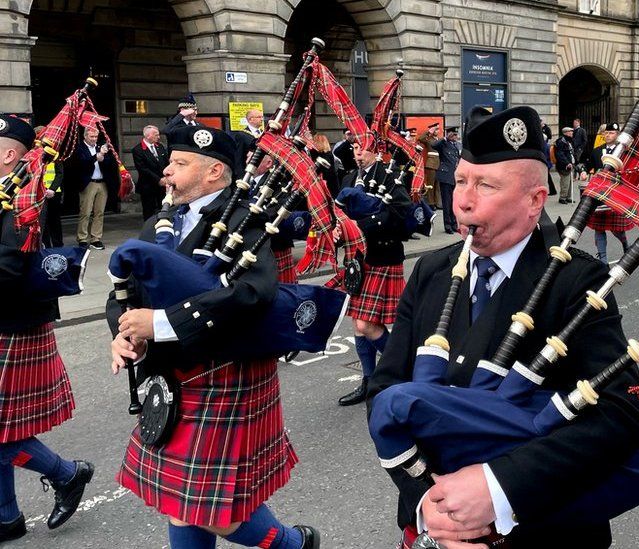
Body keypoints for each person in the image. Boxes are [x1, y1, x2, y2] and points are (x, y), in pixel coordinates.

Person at [367, 105, 639, 548]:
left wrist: (497, 489)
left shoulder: (578, 281)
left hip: (542, 527)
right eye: (461, 180)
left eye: (486, 185)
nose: (463, 199)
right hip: (435, 527)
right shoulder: (431, 271)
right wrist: (429, 503)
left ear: (535, 199)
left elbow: (619, 415)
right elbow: (385, 388)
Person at [107, 125, 319, 549]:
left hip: (225, 369)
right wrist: (126, 333)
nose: (166, 172)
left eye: (179, 164)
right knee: (186, 505)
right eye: (169, 162)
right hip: (173, 376)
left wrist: (163, 324)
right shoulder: (160, 220)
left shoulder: (248, 219)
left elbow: (251, 294)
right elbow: (125, 290)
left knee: (198, 508)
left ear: (214, 171)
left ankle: (290, 544)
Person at [0, 115, 95, 542]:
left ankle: (67, 474)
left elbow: (7, 265)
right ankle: (6, 517)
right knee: (4, 431)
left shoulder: (21, 196)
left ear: (8, 154)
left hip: (12, 323)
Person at [330, 140, 412, 406]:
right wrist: (338, 229)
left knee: (367, 325)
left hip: (383, 256)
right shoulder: (350, 177)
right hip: (357, 259)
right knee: (357, 323)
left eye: (363, 149)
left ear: (376, 152)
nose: (358, 154)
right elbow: (339, 215)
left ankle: (400, 371)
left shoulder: (390, 177)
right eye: (354, 149)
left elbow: (400, 217)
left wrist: (360, 225)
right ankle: (368, 380)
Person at [582, 122, 632, 263]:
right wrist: (584, 171)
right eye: (606, 133)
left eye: (611, 133)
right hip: (599, 195)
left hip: (616, 195)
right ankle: (603, 259)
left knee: (617, 229)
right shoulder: (596, 151)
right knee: (599, 228)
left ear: (617, 135)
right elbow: (587, 164)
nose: (608, 135)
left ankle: (625, 245)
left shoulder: (624, 152)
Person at [72, 125, 119, 250]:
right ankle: (82, 238)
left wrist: (104, 157)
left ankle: (96, 238)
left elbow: (110, 164)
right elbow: (81, 164)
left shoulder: (100, 147)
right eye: (91, 136)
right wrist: (95, 157)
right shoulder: (79, 148)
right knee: (85, 212)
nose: (94, 139)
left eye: (96, 136)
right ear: (85, 136)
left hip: (102, 183)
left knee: (99, 212)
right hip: (88, 183)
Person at [35, 125, 65, 247]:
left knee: (55, 221)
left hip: (53, 193)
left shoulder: (54, 153)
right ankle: (45, 245)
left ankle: (58, 245)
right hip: (39, 193)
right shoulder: (34, 154)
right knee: (43, 221)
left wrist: (52, 189)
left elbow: (60, 173)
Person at [132, 125, 169, 220]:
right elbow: (142, 168)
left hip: (163, 184)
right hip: (148, 185)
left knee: (164, 209)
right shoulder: (138, 150)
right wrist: (158, 179)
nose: (159, 137)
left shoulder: (160, 146)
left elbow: (166, 163)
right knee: (149, 211)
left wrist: (166, 177)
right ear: (148, 135)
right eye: (156, 135)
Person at [429, 126, 461, 234]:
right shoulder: (443, 144)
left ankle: (454, 224)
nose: (456, 137)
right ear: (449, 135)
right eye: (454, 135)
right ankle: (447, 226)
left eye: (456, 135)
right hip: (445, 176)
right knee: (447, 202)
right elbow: (433, 145)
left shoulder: (455, 145)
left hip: (454, 177)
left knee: (454, 202)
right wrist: (445, 138)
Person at [554, 127, 575, 204]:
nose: (572, 133)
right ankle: (562, 198)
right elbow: (560, 154)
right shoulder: (561, 141)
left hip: (570, 164)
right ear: (566, 133)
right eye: (571, 131)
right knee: (565, 182)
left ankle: (568, 197)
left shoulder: (568, 140)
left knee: (570, 182)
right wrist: (567, 163)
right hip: (564, 166)